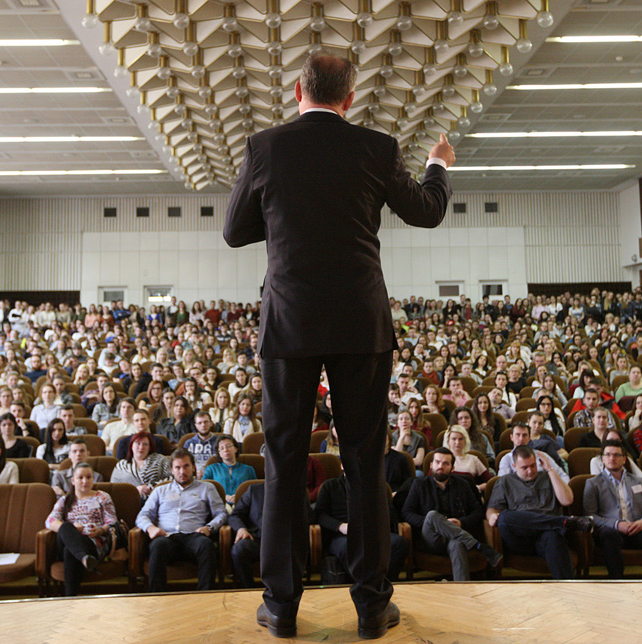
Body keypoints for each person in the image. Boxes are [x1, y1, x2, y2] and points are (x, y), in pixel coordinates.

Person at [225, 51, 453, 640]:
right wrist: (436, 164)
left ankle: (280, 607)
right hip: (360, 323)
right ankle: (373, 606)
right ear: (350, 99)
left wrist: (279, 221)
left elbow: (233, 230)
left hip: (290, 322)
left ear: (298, 89)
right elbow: (427, 212)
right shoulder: (376, 147)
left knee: (281, 466)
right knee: (363, 464)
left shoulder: (264, 146)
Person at [486, 446, 590, 580]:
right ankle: (564, 522)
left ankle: (567, 588)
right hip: (520, 539)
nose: (530, 471)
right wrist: (492, 516)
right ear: (514, 466)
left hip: (547, 535)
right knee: (504, 518)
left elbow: (567, 500)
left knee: (554, 537)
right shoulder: (505, 481)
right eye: (524, 468)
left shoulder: (548, 477)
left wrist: (550, 469)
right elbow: (492, 509)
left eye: (533, 465)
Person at [401, 448, 501, 581]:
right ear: (431, 465)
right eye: (437, 462)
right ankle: (476, 545)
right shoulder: (419, 484)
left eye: (445, 463)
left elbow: (478, 511)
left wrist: (461, 522)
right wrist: (430, 523)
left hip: (455, 537)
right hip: (431, 538)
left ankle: (462, 591)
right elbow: (406, 513)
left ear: (452, 468)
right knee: (432, 516)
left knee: (457, 545)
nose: (440, 466)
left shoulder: (463, 484)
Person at [135, 450, 226, 592]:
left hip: (194, 536)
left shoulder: (207, 488)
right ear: (171, 470)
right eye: (177, 467)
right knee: (157, 545)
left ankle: (206, 596)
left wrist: (209, 527)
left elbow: (222, 513)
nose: (182, 471)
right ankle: (156, 596)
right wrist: (150, 528)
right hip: (167, 537)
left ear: (194, 467)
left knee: (207, 545)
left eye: (186, 466)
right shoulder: (161, 490)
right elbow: (142, 515)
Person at [583, 440, 642, 579]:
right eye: (607, 455)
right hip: (612, 531)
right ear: (602, 458)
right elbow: (590, 516)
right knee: (609, 535)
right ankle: (618, 582)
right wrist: (617, 524)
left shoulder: (638, 481)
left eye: (616, 455)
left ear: (624, 459)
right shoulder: (593, 483)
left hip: (637, 529)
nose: (611, 458)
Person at [315, 470, 409, 585]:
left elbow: (391, 514)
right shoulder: (330, 486)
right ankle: (363, 586)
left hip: (372, 531)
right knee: (349, 547)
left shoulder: (376, 486)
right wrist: (340, 526)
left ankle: (382, 584)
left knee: (399, 543)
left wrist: (372, 525)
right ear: (342, 466)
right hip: (343, 534)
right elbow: (321, 515)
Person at [45, 462, 123, 596]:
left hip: (93, 542)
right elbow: (49, 521)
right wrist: (72, 529)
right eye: (80, 477)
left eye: (89, 477)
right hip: (70, 538)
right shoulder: (65, 500)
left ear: (93, 479)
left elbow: (112, 522)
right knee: (66, 527)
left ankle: (70, 599)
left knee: (69, 551)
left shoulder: (102, 497)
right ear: (73, 480)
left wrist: (100, 531)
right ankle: (84, 557)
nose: (85, 481)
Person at [229, 481, 269, 588]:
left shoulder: (293, 490)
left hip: (284, 540)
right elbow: (235, 515)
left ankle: (286, 592)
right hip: (257, 538)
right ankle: (247, 589)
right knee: (239, 549)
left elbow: (309, 516)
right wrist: (241, 529)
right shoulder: (254, 491)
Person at [110, 431, 170, 499]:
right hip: (128, 500)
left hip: (157, 498)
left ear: (150, 448)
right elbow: (114, 487)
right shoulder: (121, 465)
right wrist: (135, 490)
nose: (141, 447)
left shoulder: (161, 460)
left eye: (145, 444)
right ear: (131, 446)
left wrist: (150, 487)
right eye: (138, 443)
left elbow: (171, 479)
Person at [203, 436, 256, 505]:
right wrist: (223, 497)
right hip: (219, 503)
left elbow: (255, 491)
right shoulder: (211, 469)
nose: (225, 450)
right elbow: (204, 490)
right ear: (218, 452)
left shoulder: (248, 469)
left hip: (243, 502)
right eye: (221, 448)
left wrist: (238, 496)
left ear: (236, 449)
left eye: (229, 446)